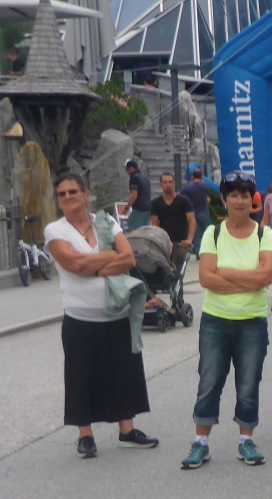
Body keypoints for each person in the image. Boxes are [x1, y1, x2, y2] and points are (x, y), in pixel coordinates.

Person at [44, 173, 158, 459]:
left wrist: (91, 267)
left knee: (123, 373)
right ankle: (85, 436)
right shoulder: (55, 230)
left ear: (86, 195)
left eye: (73, 191)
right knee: (80, 377)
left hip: (116, 312)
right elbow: (72, 264)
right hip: (80, 317)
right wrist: (108, 258)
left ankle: (127, 431)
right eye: (62, 194)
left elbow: (128, 258)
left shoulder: (106, 222)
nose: (67, 197)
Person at [180, 172, 272, 470]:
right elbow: (206, 279)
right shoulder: (213, 233)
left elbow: (265, 276)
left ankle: (246, 440)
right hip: (216, 320)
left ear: (252, 200)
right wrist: (250, 282)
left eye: (245, 195)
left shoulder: (264, 234)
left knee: (248, 383)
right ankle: (201, 442)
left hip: (252, 321)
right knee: (209, 381)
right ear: (223, 199)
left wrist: (226, 273)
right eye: (233, 195)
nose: (239, 201)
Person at [151, 172, 196, 259]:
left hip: (181, 242)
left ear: (174, 184)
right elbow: (154, 224)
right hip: (164, 243)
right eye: (165, 182)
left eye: (170, 182)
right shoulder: (156, 203)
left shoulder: (184, 200)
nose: (168, 185)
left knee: (179, 265)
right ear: (161, 185)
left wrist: (189, 239)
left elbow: (192, 220)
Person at [180, 168, 211, 256]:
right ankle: (209, 251)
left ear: (193, 177)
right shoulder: (204, 186)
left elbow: (179, 195)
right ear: (201, 176)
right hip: (203, 211)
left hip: (192, 212)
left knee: (197, 234)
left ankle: (198, 253)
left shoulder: (187, 187)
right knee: (209, 232)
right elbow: (206, 197)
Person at [124, 160, 151, 231]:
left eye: (127, 169)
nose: (127, 171)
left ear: (131, 168)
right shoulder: (145, 177)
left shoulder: (134, 178)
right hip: (148, 207)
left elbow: (134, 195)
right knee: (145, 231)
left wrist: (127, 208)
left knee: (132, 229)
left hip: (139, 208)